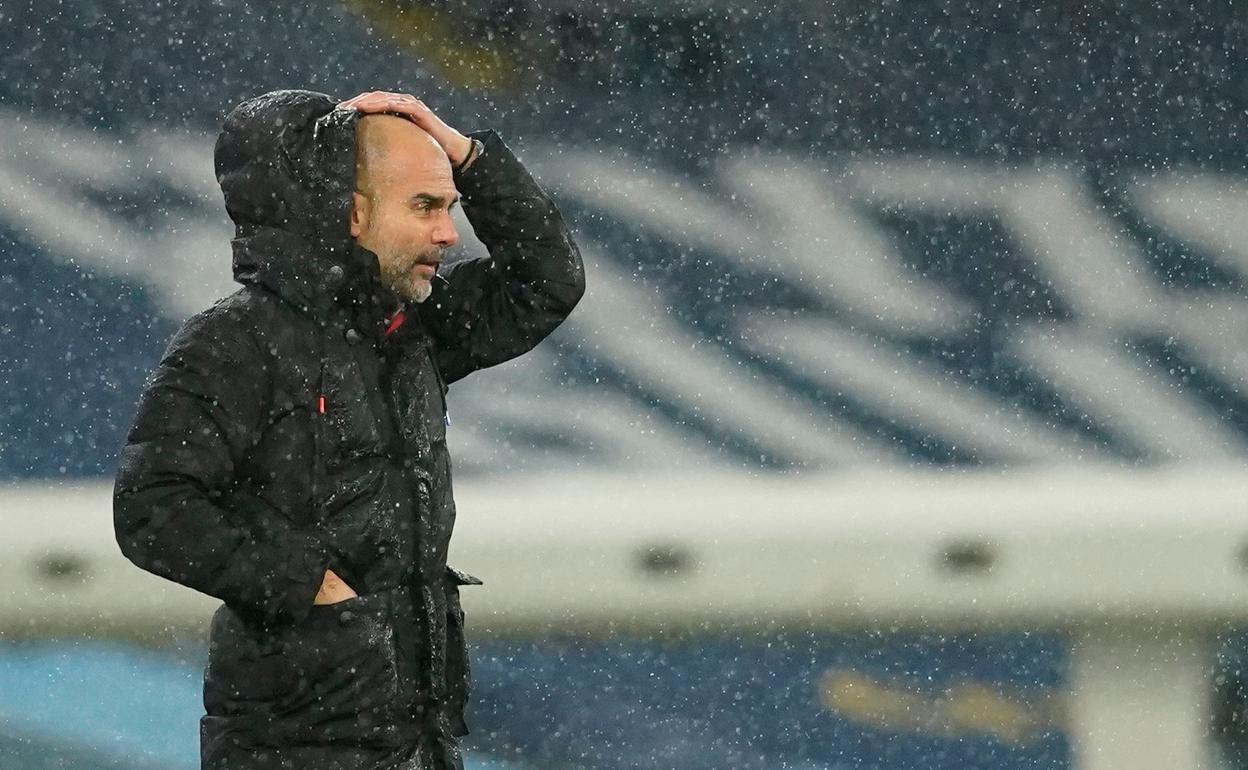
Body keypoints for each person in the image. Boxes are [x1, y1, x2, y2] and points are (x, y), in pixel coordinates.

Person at [112, 88, 585, 770]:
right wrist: (312, 588)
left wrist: (467, 154)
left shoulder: (409, 329)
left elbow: (545, 282)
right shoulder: (235, 343)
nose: (449, 234)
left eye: (450, 207)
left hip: (413, 735)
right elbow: (152, 507)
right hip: (296, 747)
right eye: (425, 206)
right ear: (351, 214)